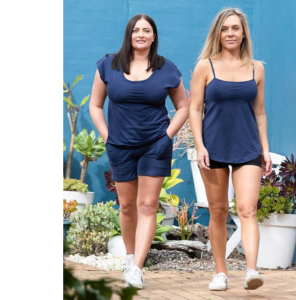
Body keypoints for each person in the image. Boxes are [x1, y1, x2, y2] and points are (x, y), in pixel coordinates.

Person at [89, 14, 189, 289]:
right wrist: (107, 136)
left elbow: (184, 106)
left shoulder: (167, 69)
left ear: (154, 36)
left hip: (154, 146)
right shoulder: (108, 66)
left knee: (147, 205)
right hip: (120, 146)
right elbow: (96, 105)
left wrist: (167, 136)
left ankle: (136, 268)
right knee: (127, 205)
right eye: (136, 30)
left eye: (147, 30)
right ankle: (129, 256)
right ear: (129, 35)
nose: (141, 34)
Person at [189, 8, 272, 291]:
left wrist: (265, 148)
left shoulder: (256, 68)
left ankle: (251, 270)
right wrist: (199, 145)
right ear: (218, 33)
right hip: (212, 148)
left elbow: (260, 112)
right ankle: (220, 273)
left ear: (243, 32)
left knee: (247, 209)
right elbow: (195, 108)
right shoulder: (205, 66)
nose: (230, 34)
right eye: (225, 29)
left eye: (235, 28)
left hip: (248, 146)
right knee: (218, 211)